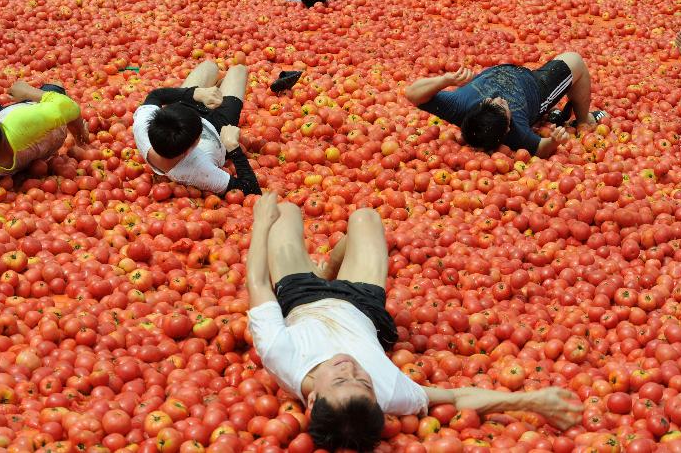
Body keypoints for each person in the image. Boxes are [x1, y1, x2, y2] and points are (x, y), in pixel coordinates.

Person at [246, 192, 584, 452]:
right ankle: (337, 266)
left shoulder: (281, 355)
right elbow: (456, 398)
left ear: (314, 401)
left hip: (301, 297)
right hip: (360, 304)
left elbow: (259, 284)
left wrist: (261, 221)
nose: (350, 368)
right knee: (365, 218)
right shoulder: (391, 392)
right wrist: (529, 401)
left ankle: (329, 269)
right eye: (362, 382)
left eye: (339, 380)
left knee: (284, 212)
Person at [404, 53, 606, 158]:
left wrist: (445, 80)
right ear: (508, 126)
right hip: (536, 86)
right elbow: (542, 149)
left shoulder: (458, 106)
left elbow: (412, 93)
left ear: (478, 106)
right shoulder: (518, 133)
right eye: (502, 106)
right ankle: (583, 119)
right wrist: (554, 141)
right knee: (575, 60)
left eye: (491, 101)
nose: (499, 98)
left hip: (502, 70)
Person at [132, 60, 261, 196]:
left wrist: (195, 94)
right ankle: (220, 88)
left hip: (184, 110)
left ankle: (214, 90)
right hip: (219, 129)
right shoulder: (198, 171)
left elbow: (155, 95)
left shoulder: (142, 126)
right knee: (239, 70)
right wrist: (233, 148)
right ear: (190, 150)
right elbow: (250, 189)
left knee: (209, 66)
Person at [0, 77, 88, 183]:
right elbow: (69, 107)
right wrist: (27, 91)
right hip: (32, 127)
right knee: (56, 86)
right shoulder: (24, 120)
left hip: (16, 145)